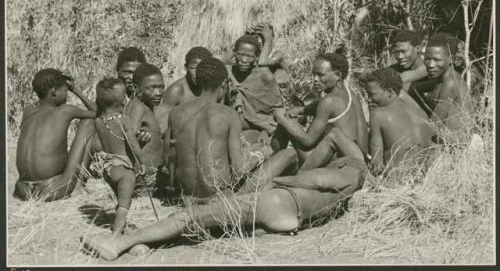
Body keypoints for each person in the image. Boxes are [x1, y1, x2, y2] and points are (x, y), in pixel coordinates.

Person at [81, 129, 366, 261]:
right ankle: (146, 244)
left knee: (192, 215)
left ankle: (119, 243)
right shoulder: (350, 192)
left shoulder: (351, 169)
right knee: (211, 225)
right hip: (291, 220)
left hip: (279, 202)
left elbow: (317, 179)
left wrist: (276, 181)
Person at [166, 57, 296, 198]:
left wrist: (172, 185)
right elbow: (239, 170)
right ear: (223, 85)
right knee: (289, 154)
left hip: (188, 194)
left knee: (249, 138)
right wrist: (261, 154)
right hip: (221, 196)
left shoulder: (176, 112)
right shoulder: (228, 114)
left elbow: (169, 157)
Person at [273, 53, 368, 171]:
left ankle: (271, 155)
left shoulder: (328, 101)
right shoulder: (351, 95)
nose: (315, 79)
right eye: (313, 74)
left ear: (338, 75)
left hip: (331, 162)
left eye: (320, 75)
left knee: (284, 122)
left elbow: (308, 141)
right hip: (357, 158)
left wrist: (282, 118)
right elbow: (322, 105)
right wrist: (302, 110)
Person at [14, 69, 96, 201]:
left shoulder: (28, 111)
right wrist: (76, 90)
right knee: (89, 123)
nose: (67, 94)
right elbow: (102, 114)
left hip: (22, 190)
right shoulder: (65, 111)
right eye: (65, 91)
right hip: (52, 189)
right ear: (54, 91)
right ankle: (79, 186)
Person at [94, 78, 147, 237]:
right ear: (122, 100)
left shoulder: (98, 121)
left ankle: (122, 226)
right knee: (124, 203)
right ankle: (116, 233)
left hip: (107, 167)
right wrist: (141, 161)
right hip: (123, 170)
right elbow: (132, 144)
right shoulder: (124, 120)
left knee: (121, 199)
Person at [364, 68, 432, 176]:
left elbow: (377, 165)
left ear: (390, 92)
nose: (368, 99)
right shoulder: (420, 113)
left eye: (371, 94)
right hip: (424, 176)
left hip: (396, 179)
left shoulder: (378, 115)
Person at [225, 34, 284, 150]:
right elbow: (218, 63)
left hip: (263, 122)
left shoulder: (264, 75)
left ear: (256, 58)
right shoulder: (230, 71)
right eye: (240, 54)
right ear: (234, 53)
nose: (244, 60)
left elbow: (275, 108)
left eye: (249, 56)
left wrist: (268, 40)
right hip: (240, 121)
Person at [423, 35, 473, 142]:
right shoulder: (439, 80)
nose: (431, 64)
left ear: (451, 59)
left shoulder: (451, 83)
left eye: (437, 60)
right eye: (427, 59)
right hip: (446, 139)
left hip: (455, 145)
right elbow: (412, 88)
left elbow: (433, 125)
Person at [123, 63, 165, 177]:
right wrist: (138, 141)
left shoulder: (141, 106)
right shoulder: (138, 107)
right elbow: (129, 137)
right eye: (151, 88)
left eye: (161, 87)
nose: (158, 93)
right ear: (136, 88)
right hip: (145, 177)